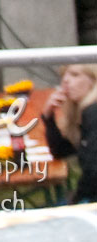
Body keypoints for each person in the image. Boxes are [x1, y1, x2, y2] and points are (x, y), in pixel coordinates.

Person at [42, 63, 97, 202]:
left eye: (75, 75)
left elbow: (93, 171)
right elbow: (61, 151)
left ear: (94, 81)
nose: (65, 80)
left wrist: (74, 201)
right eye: (64, 75)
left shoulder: (94, 113)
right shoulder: (84, 112)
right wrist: (48, 117)